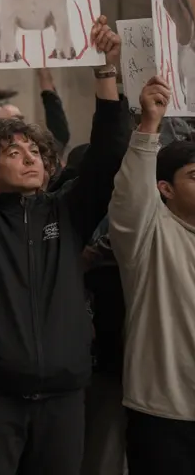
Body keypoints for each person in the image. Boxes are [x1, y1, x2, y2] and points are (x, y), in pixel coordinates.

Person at [0, 20, 128, 475]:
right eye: (13, 152)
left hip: (63, 397)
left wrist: (107, 72)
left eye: (36, 153)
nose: (29, 159)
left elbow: (107, 157)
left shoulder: (67, 213)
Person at [107, 76, 195, 473]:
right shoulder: (148, 232)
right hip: (164, 413)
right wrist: (149, 124)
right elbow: (132, 194)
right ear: (165, 189)